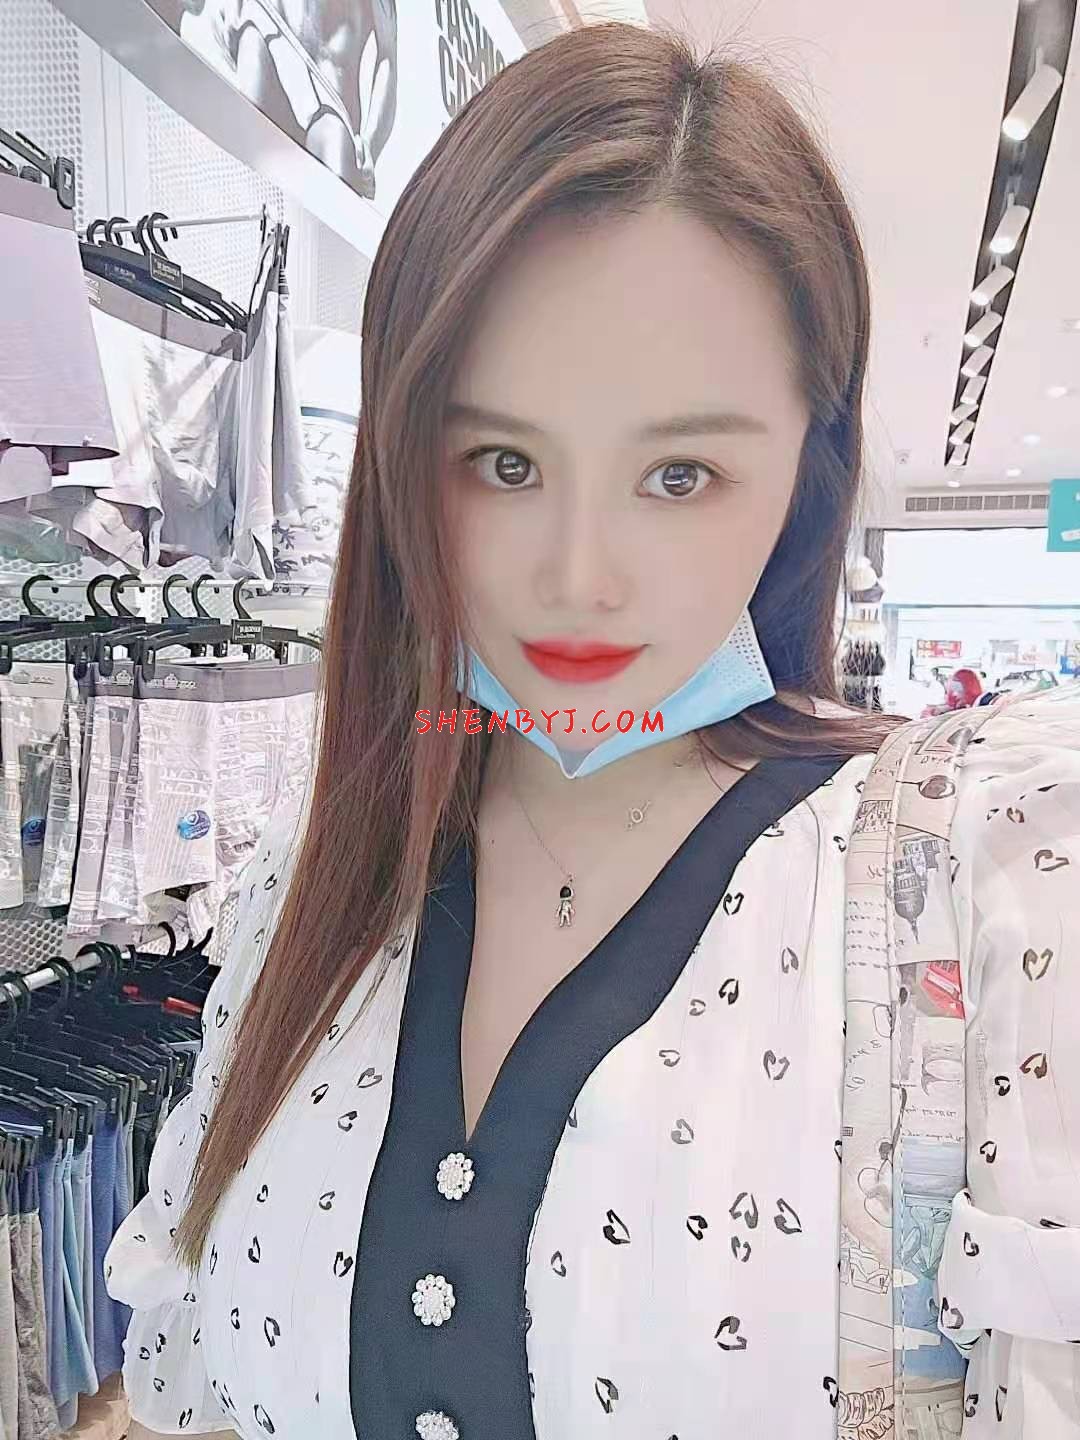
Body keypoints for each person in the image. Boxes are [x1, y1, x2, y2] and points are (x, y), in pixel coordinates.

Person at [106, 23, 1080, 1440]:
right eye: (503, 462)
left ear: (806, 474)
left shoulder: (978, 893)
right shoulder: (309, 891)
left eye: (680, 474)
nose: (577, 579)